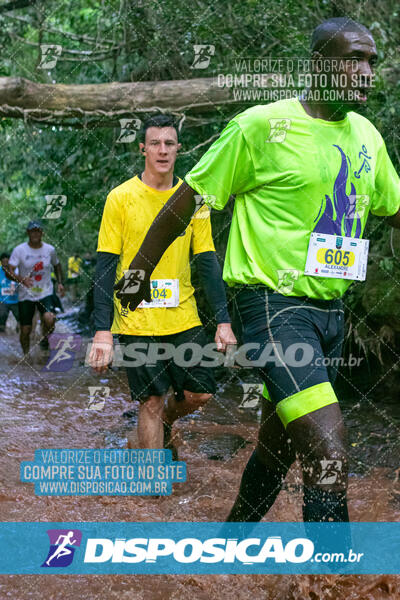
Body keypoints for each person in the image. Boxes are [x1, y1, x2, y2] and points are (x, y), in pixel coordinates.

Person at [113, 19, 400, 522]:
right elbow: (189, 199)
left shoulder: (367, 136)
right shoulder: (261, 126)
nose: (366, 71)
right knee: (328, 448)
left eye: (371, 61)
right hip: (272, 307)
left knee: (277, 448)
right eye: (354, 58)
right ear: (319, 64)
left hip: (331, 312)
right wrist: (137, 270)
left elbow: (393, 208)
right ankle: (330, 583)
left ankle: (227, 549)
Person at [89, 114, 236, 453]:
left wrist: (223, 321)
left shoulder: (192, 199)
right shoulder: (120, 198)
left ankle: (169, 420)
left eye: (169, 143)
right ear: (143, 149)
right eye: (154, 143)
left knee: (202, 392)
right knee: (151, 400)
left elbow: (207, 261)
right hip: (136, 315)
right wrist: (103, 331)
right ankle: (152, 488)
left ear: (179, 149)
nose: (162, 150)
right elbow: (106, 267)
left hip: (183, 314)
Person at [6, 220, 65, 354]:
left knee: (50, 318)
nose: (35, 234)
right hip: (25, 294)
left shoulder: (50, 250)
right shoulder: (19, 250)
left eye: (38, 231)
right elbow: (8, 272)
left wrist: (60, 283)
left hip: (46, 292)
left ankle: (45, 339)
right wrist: (22, 279)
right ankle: (26, 355)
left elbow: (57, 265)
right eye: (32, 231)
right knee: (26, 329)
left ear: (42, 233)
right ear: (28, 233)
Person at [0, 253, 19, 332]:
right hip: (3, 301)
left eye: (7, 263)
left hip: (16, 300)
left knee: (21, 321)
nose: (5, 266)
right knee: (1, 318)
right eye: (3, 263)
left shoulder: (17, 271)